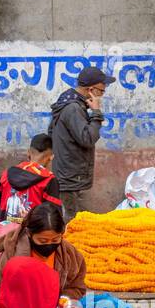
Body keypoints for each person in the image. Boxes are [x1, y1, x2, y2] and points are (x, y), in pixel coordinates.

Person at [0, 201, 86, 308]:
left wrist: (64, 299)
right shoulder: (13, 254)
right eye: (43, 241)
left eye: (55, 240)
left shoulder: (70, 256)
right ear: (29, 234)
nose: (49, 245)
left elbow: (77, 287)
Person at [49, 65, 114, 219]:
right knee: (70, 222)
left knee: (71, 218)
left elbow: (51, 132)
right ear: (91, 90)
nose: (102, 95)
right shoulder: (73, 108)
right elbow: (88, 138)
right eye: (101, 91)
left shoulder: (69, 103)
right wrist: (96, 112)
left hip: (69, 173)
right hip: (70, 176)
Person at [0, 134, 62, 222]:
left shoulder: (6, 174)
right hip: (32, 234)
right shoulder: (49, 180)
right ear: (51, 157)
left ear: (28, 152)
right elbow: (54, 219)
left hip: (6, 234)